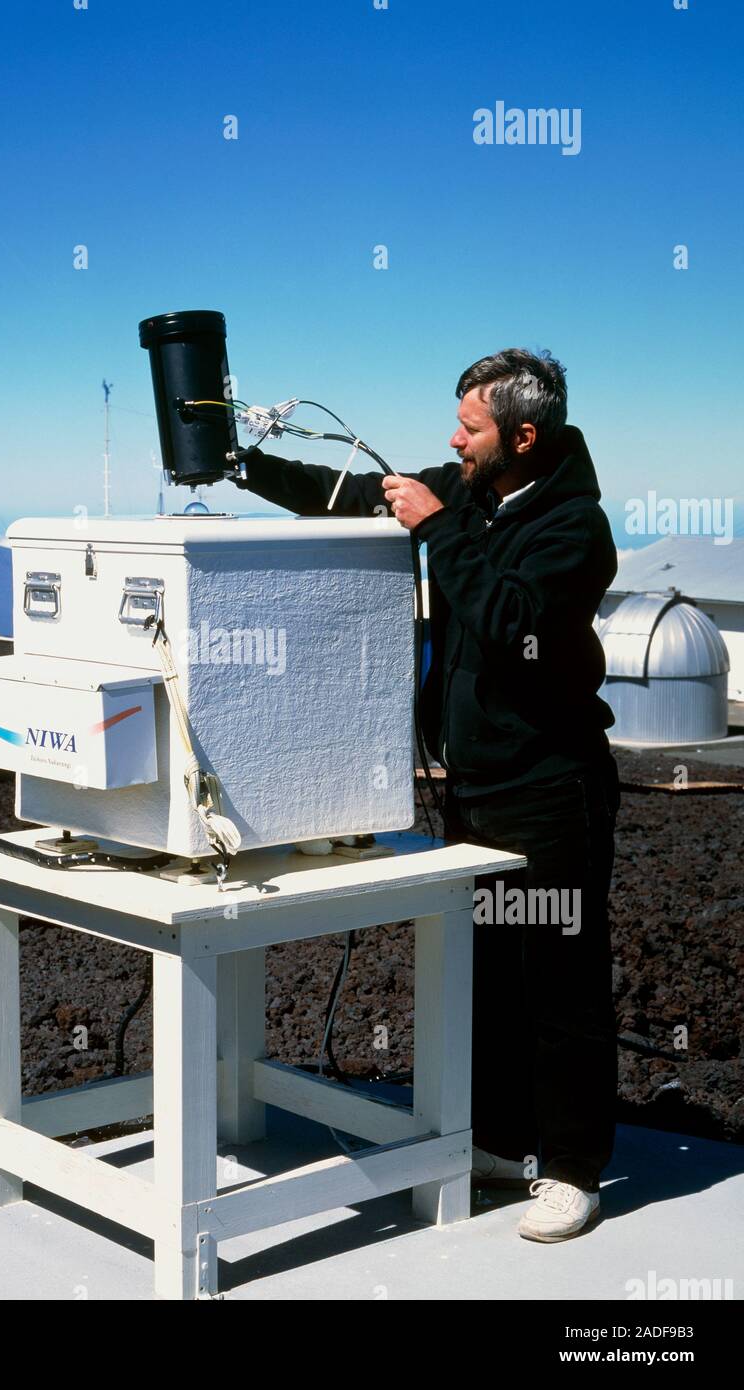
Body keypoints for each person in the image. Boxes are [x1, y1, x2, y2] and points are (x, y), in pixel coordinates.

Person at [231, 348, 621, 1242]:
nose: (453, 439)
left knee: (557, 981)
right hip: (474, 790)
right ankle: (501, 1143)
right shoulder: (471, 490)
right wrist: (245, 466)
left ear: (523, 436)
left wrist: (440, 529)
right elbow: (342, 491)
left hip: (548, 790)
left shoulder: (574, 528)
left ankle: (572, 1171)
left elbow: (510, 620)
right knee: (486, 975)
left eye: (470, 428)